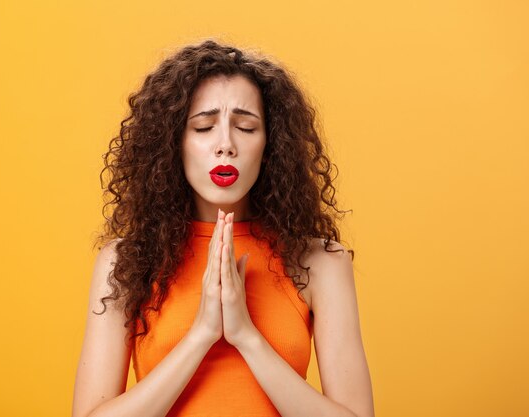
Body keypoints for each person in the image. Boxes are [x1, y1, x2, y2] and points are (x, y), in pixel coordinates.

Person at [72, 39, 375, 417]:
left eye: (246, 127)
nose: (225, 145)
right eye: (203, 127)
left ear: (271, 146)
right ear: (173, 142)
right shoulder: (126, 261)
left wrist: (247, 336)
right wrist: (201, 334)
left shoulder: (320, 261)